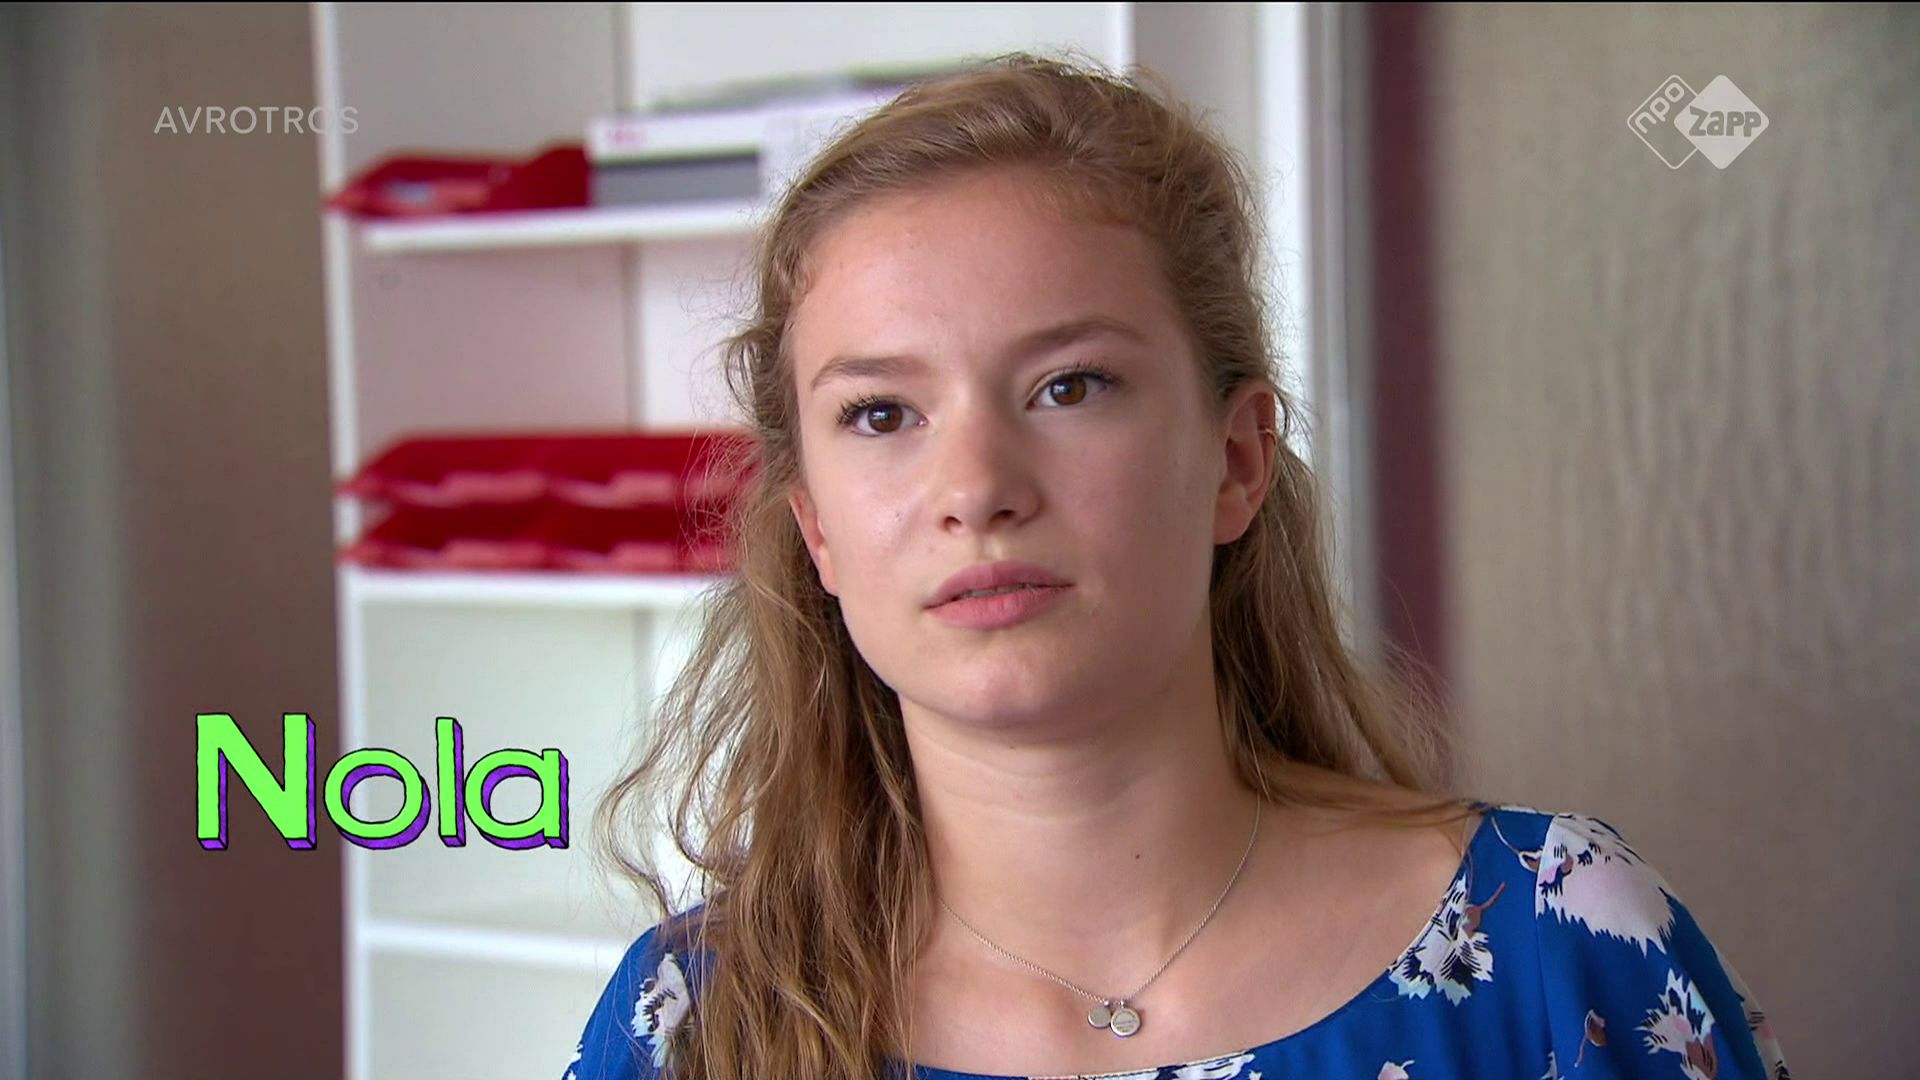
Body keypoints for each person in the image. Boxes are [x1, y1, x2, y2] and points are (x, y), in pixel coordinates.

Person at [564, 54, 1790, 1080]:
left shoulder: (1563, 939)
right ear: (817, 530)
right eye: (881, 414)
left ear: (1236, 460)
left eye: (1070, 386)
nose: (976, 488)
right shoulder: (690, 1026)